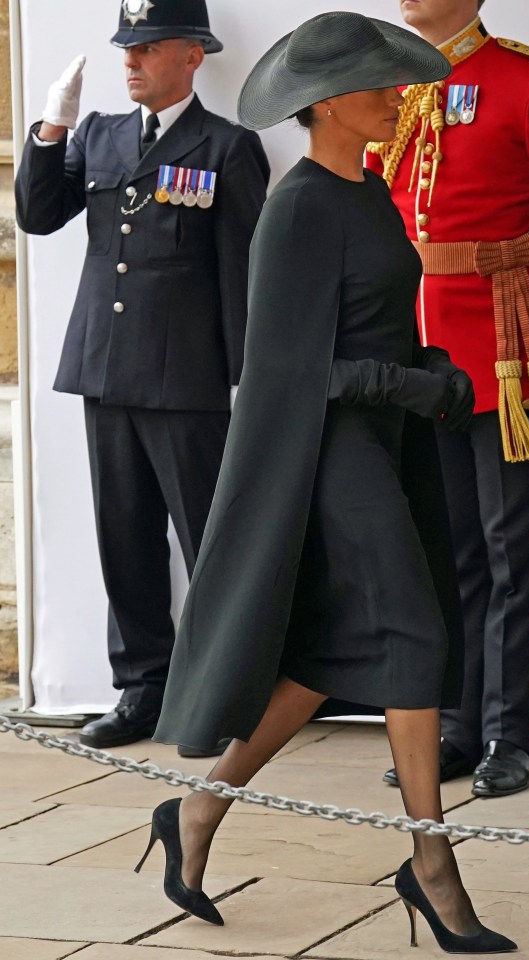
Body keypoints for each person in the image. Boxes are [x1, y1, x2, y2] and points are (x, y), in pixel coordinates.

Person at [140, 12, 516, 953]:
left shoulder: (374, 191)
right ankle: (431, 864)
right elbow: (289, 370)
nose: (398, 99)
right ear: (336, 102)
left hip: (383, 440)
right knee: (415, 631)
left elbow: (374, 327)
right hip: (330, 450)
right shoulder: (299, 206)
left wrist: (434, 364)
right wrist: (419, 384)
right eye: (383, 88)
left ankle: (194, 817)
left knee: (321, 665)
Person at [15, 0, 270, 752]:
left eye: (149, 47)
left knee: (210, 541)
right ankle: (144, 689)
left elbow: (245, 272)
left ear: (192, 56)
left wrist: (247, 379)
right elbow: (35, 213)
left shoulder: (227, 147)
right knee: (122, 538)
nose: (130, 60)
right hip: (106, 367)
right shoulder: (97, 134)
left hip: (190, 379)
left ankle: (227, 692)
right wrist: (50, 130)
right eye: (126, 46)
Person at [371, 0, 529, 797]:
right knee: (450, 547)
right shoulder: (392, 85)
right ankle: (460, 725)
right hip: (418, 348)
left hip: (509, 342)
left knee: (508, 551)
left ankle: (511, 731)